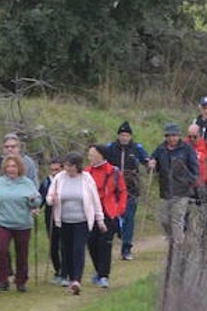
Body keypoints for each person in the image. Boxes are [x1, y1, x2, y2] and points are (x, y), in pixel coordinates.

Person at [46, 151, 105, 296]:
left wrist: (100, 219)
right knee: (66, 250)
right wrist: (51, 199)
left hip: (82, 221)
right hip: (64, 220)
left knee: (78, 249)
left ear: (77, 166)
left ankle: (76, 280)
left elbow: (95, 200)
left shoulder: (86, 179)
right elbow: (49, 196)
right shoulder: (59, 178)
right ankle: (70, 276)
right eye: (66, 165)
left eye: (70, 166)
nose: (67, 168)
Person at [0, 155, 41, 293]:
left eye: (14, 166)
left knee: (22, 253)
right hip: (3, 222)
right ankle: (2, 280)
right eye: (9, 166)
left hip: (23, 223)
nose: (11, 169)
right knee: (2, 250)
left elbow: (37, 201)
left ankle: (21, 281)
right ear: (4, 168)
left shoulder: (27, 183)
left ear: (19, 168)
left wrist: (33, 201)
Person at [103, 121, 148, 261]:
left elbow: (146, 160)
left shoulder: (136, 148)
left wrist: (150, 163)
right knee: (114, 218)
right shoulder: (110, 148)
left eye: (127, 135)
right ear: (118, 136)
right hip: (113, 190)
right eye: (122, 135)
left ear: (130, 136)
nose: (124, 137)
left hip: (131, 189)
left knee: (129, 218)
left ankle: (126, 248)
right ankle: (113, 239)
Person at [147, 122, 199, 242]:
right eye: (169, 135)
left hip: (182, 192)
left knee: (177, 219)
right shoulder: (160, 149)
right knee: (164, 219)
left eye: (174, 135)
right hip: (165, 191)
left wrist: (188, 182)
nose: (172, 138)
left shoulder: (187, 149)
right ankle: (172, 240)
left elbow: (195, 169)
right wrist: (151, 164)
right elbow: (153, 165)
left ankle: (178, 246)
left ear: (179, 136)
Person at [85, 144, 126, 289]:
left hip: (108, 213)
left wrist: (119, 209)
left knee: (105, 244)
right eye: (89, 154)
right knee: (91, 244)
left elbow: (122, 191)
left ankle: (103, 275)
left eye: (92, 154)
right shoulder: (86, 172)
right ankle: (98, 271)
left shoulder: (114, 172)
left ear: (101, 155)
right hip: (90, 213)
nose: (90, 157)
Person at [0, 134, 39, 200]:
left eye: (13, 147)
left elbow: (34, 183)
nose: (9, 149)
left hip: (21, 200)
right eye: (6, 147)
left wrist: (34, 201)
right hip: (2, 200)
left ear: (18, 148)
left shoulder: (28, 162)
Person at [39, 157, 66, 285]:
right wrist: (36, 208)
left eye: (57, 169)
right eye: (52, 170)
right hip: (50, 217)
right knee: (53, 245)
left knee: (64, 244)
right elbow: (41, 199)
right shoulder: (46, 182)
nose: (54, 173)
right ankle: (58, 270)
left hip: (65, 216)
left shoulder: (67, 181)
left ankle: (66, 270)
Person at [185, 123, 207, 205]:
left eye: (195, 136)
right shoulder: (182, 146)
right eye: (189, 136)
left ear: (200, 135)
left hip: (202, 186)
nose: (192, 139)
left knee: (203, 212)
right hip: (186, 186)